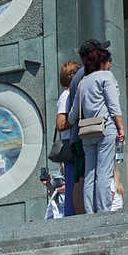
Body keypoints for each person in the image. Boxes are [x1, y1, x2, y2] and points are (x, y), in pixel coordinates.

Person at [73, 38, 124, 216]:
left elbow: (73, 115)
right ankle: (103, 212)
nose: (110, 64)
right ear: (102, 61)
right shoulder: (106, 77)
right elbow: (113, 106)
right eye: (109, 61)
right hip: (106, 128)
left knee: (90, 174)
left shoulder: (82, 82)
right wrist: (121, 128)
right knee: (104, 173)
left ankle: (89, 212)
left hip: (87, 132)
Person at [52, 58, 85, 216]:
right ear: (72, 75)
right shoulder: (66, 96)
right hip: (71, 145)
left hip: (74, 142)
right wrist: (76, 119)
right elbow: (60, 123)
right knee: (73, 181)